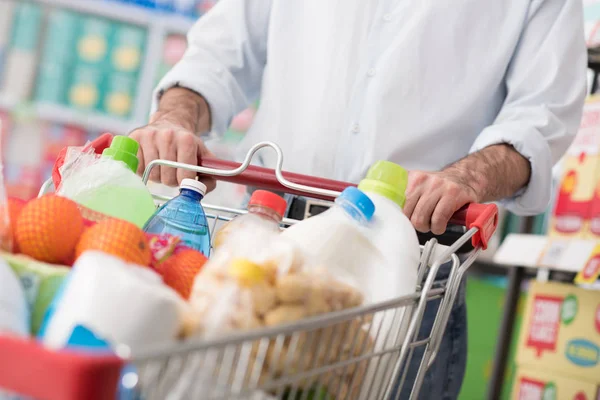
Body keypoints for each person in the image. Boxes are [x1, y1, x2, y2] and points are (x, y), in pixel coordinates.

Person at [130, 1, 587, 398]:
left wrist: (467, 178)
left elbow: (541, 117)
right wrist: (174, 119)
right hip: (266, 244)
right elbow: (219, 54)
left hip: (412, 259)